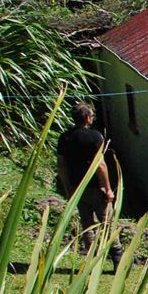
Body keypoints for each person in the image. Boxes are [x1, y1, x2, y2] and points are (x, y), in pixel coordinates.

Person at [56, 101, 122, 268]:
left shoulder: (65, 138)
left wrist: (68, 190)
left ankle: (91, 264)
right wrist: (108, 189)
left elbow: (61, 166)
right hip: (95, 188)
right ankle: (117, 261)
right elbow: (100, 165)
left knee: (87, 226)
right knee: (107, 223)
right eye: (91, 115)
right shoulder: (95, 137)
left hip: (78, 189)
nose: (92, 118)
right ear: (86, 118)